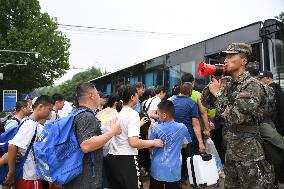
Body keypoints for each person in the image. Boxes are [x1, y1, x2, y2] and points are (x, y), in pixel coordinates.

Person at [201, 43, 274, 188]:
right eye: (225, 56)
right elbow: (206, 103)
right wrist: (215, 82)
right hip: (231, 152)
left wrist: (218, 93)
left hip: (249, 155)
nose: (226, 60)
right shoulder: (228, 83)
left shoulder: (252, 85)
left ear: (244, 61)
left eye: (231, 56)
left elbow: (235, 117)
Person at [105, 84, 163, 189]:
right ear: (132, 97)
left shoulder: (118, 113)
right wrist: (154, 142)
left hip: (112, 158)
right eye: (136, 94)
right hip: (126, 159)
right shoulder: (133, 114)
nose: (138, 96)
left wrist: (138, 125)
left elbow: (122, 131)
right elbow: (134, 142)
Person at [64, 83, 121, 189]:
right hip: (85, 180)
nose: (99, 97)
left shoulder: (75, 113)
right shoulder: (86, 116)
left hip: (75, 176)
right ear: (91, 95)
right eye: (98, 94)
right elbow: (86, 145)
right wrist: (112, 132)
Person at [5, 95, 54, 189]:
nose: (50, 112)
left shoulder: (29, 122)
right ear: (40, 107)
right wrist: (11, 172)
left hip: (28, 176)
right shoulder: (30, 125)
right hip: (29, 177)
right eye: (49, 109)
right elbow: (12, 146)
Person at [149, 100, 191, 189]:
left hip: (157, 167)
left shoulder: (156, 127)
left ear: (164, 115)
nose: (157, 116)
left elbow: (150, 146)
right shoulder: (182, 127)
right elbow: (185, 145)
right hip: (174, 169)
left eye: (158, 114)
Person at [258, 71, 284, 187]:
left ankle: (278, 180)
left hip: (276, 128)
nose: (259, 80)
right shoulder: (277, 90)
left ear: (268, 78)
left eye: (261, 78)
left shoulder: (271, 91)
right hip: (276, 128)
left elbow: (277, 113)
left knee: (275, 155)